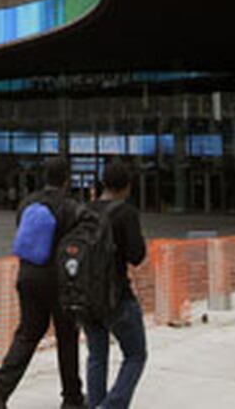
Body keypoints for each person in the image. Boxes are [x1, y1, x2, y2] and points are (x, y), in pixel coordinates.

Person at [0, 157, 85, 409]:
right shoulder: (70, 207)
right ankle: (72, 398)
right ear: (66, 179)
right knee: (67, 336)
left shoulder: (27, 203)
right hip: (59, 280)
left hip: (28, 275)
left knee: (28, 333)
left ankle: (0, 385)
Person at [84, 162, 148, 408]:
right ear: (127, 186)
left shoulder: (85, 210)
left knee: (97, 355)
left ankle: (95, 403)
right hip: (116, 295)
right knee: (135, 355)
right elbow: (136, 255)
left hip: (87, 296)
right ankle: (111, 405)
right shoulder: (126, 213)